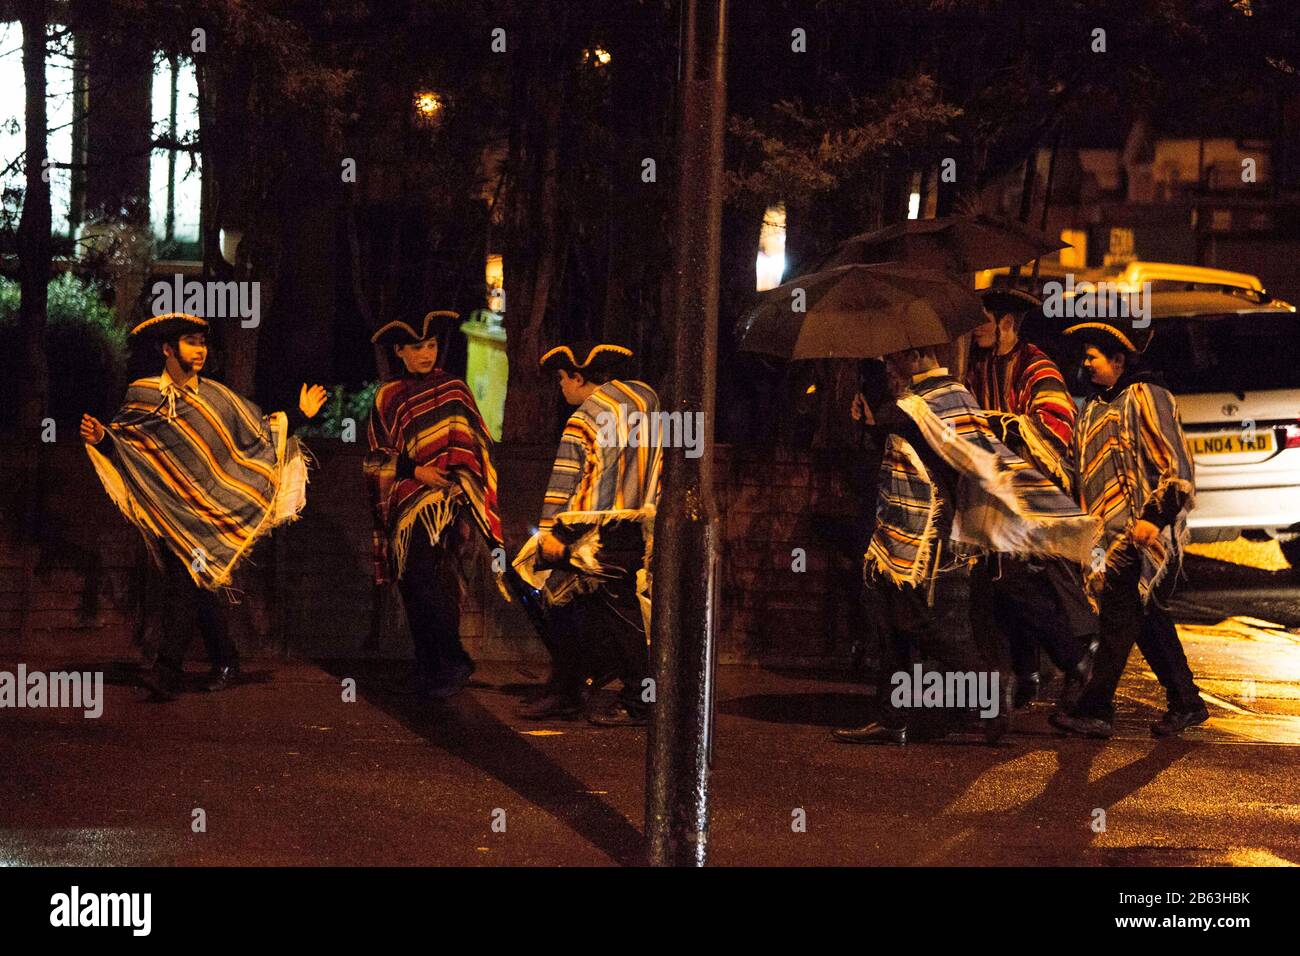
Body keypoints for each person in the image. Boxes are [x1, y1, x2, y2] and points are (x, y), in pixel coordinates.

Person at [833, 345, 1099, 746]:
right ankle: (892, 716)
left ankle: (988, 687)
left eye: (894, 358)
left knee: (914, 621)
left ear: (917, 354)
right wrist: (870, 420)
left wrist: (873, 415)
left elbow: (918, 434)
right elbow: (903, 438)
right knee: (890, 621)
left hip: (925, 529)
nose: (888, 365)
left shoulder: (938, 397)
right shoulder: (936, 397)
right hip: (899, 529)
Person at [80, 312, 326, 700]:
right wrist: (102, 438)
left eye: (203, 342)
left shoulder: (216, 397)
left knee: (186, 582)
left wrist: (298, 415)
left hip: (209, 516)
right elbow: (128, 445)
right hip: (167, 512)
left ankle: (167, 671)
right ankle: (226, 659)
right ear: (167, 349)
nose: (200, 350)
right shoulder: (143, 394)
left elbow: (258, 432)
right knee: (198, 586)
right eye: (191, 342)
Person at [1050, 316, 1207, 739]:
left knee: (1119, 620)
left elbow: (1177, 466)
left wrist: (1154, 519)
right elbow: (1077, 468)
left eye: (1092, 357)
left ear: (1119, 359)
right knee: (1147, 617)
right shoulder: (1096, 406)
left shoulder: (1147, 396)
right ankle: (1187, 700)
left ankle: (1096, 708)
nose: (1085, 366)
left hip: (1141, 533)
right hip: (1110, 534)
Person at [513, 342, 662, 727]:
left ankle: (637, 699)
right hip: (640, 523)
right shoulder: (647, 399)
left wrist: (551, 533)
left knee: (601, 607)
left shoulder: (585, 416)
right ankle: (568, 688)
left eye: (562, 379)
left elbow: (565, 480)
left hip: (591, 533)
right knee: (586, 605)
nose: (561, 388)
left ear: (578, 377)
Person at [966, 289, 1098, 709]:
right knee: (1002, 583)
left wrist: (1002, 427)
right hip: (998, 494)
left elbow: (1055, 424)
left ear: (1007, 322)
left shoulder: (1037, 366)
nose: (976, 330)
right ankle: (1031, 672)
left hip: (1036, 493)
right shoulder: (982, 366)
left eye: (983, 320)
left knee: (1023, 583)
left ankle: (1075, 658)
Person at [365, 311, 504, 701]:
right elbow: (376, 456)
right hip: (408, 503)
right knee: (412, 582)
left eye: (431, 345)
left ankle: (454, 661)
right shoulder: (387, 396)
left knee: (433, 582)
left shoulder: (454, 388)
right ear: (400, 351)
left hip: (450, 501)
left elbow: (477, 441)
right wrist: (416, 471)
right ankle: (428, 664)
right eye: (416, 347)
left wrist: (460, 479)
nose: (426, 353)